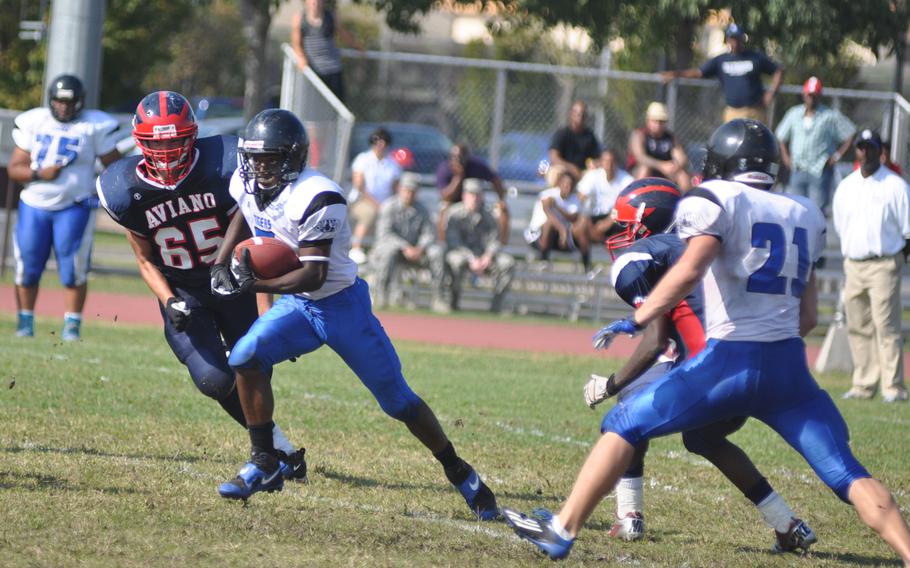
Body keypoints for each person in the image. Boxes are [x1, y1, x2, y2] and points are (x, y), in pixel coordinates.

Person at [503, 119, 910, 563]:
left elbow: (690, 269)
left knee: (623, 424)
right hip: (788, 368)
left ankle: (561, 530)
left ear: (722, 164)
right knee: (847, 474)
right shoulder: (805, 212)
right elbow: (807, 316)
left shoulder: (716, 198)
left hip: (728, 360)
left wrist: (641, 314)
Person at [208, 109, 499, 520]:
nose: (260, 167)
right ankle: (265, 461)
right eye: (254, 158)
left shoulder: (318, 197)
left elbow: (313, 275)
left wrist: (251, 285)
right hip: (299, 306)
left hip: (341, 305)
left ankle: (458, 469)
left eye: (270, 159)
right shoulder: (247, 182)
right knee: (243, 357)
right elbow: (244, 210)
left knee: (399, 402)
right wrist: (221, 262)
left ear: (291, 159)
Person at [584, 177, 815, 548]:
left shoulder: (644, 255)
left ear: (648, 220)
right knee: (702, 437)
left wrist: (609, 384)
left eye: (626, 225)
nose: (621, 234)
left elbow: (654, 341)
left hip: (717, 369)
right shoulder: (705, 247)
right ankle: (788, 524)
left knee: (628, 407)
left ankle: (628, 516)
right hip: (761, 363)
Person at [96, 91, 307, 482]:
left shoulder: (224, 165)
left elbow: (256, 235)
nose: (167, 153)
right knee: (213, 379)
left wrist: (267, 309)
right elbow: (144, 259)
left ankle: (273, 453)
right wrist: (169, 300)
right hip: (184, 290)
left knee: (256, 366)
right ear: (141, 143)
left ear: (192, 136)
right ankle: (278, 448)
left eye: (175, 141)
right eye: (158, 144)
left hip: (230, 278)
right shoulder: (125, 188)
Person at [7, 74, 122, 340]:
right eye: (59, 101)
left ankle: (72, 325)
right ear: (51, 100)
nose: (64, 107)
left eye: (70, 102)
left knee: (74, 269)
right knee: (27, 267)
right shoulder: (34, 121)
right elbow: (15, 168)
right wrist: (39, 174)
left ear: (81, 102)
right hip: (34, 205)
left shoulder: (94, 125)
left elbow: (115, 169)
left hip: (74, 206)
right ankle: (25, 322)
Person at [833, 129, 910, 402]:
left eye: (871, 147)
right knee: (858, 325)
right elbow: (841, 226)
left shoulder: (895, 186)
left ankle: (893, 387)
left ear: (881, 152)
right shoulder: (847, 186)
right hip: (853, 264)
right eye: (861, 147)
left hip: (883, 264)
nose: (865, 153)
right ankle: (864, 384)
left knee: (886, 326)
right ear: (856, 150)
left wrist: (898, 260)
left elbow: (908, 230)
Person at [661, 24, 783, 123]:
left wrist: (771, 94)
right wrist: (675, 73)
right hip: (733, 112)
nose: (735, 42)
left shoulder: (755, 57)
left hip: (755, 110)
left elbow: (778, 70)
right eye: (732, 38)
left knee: (757, 145)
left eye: (738, 38)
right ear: (728, 40)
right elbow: (698, 72)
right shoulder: (721, 60)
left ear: (742, 39)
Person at [776, 76, 856, 213]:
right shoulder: (794, 113)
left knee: (816, 211)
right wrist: (786, 158)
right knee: (794, 209)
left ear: (819, 96)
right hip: (797, 168)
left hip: (819, 171)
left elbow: (851, 132)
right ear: (804, 95)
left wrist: (836, 156)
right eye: (809, 95)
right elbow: (781, 136)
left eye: (815, 96)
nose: (811, 99)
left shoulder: (829, 116)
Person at [368, 172, 446, 311]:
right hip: (395, 250)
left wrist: (420, 248)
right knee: (387, 252)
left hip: (416, 252)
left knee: (436, 252)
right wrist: (405, 247)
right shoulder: (389, 207)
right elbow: (385, 234)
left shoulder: (422, 210)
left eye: (413, 191)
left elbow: (429, 233)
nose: (409, 194)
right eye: (406, 190)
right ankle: (381, 295)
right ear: (400, 189)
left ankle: (438, 298)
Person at [444, 178, 516, 313]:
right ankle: (453, 303)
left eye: (478, 194)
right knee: (456, 261)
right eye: (471, 194)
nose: (475, 198)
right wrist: (471, 258)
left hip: (484, 257)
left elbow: (495, 240)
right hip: (463, 255)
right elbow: (454, 242)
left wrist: (488, 256)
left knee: (507, 263)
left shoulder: (489, 215)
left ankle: (496, 307)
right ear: (464, 195)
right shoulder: (454, 214)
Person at [435, 144, 509, 244]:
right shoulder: (445, 168)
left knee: (503, 211)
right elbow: (445, 196)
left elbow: (496, 180)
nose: (457, 160)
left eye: (460, 157)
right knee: (443, 209)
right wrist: (458, 177)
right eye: (453, 157)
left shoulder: (476, 165)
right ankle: (443, 245)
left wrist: (501, 199)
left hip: (476, 203)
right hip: (453, 203)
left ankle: (500, 247)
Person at [290, 0, 363, 102]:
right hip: (314, 72)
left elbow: (343, 34)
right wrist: (301, 58)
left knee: (338, 105)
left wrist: (357, 46)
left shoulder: (331, 16)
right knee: (314, 105)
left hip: (334, 70)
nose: (315, 2)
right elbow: (296, 43)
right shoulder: (299, 18)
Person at [348, 127, 401, 264]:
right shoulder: (363, 159)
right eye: (376, 141)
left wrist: (388, 205)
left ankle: (381, 250)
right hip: (361, 201)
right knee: (369, 213)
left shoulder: (393, 165)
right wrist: (377, 204)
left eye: (383, 141)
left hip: (385, 204)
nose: (380, 145)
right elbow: (359, 186)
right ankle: (356, 247)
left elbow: (396, 189)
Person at [524, 169, 591, 271]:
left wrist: (557, 207)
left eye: (570, 185)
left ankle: (587, 267)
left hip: (560, 238)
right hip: (537, 235)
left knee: (583, 225)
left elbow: (573, 217)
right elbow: (547, 211)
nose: (567, 188)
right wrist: (562, 229)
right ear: (559, 184)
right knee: (549, 224)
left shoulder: (575, 199)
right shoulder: (547, 194)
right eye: (565, 184)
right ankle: (544, 261)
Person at [627, 102, 691, 191]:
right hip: (641, 171)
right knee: (645, 169)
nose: (658, 125)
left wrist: (675, 166)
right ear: (648, 120)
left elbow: (681, 158)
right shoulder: (639, 135)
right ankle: (639, 196)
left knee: (682, 175)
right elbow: (640, 157)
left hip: (666, 172)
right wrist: (661, 165)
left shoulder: (670, 138)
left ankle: (684, 201)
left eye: (661, 122)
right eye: (655, 121)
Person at [576, 148, 633, 243]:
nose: (609, 165)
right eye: (606, 161)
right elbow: (581, 197)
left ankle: (607, 241)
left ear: (616, 163)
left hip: (616, 218)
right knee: (582, 223)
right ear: (601, 162)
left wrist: (608, 222)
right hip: (594, 217)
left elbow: (628, 204)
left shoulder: (626, 179)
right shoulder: (593, 176)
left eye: (612, 162)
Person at [548, 100, 601, 183]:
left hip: (582, 173)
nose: (580, 117)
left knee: (598, 173)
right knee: (554, 172)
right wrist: (571, 168)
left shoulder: (590, 136)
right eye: (578, 114)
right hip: (564, 170)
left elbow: (596, 158)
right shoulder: (562, 134)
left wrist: (594, 164)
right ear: (571, 114)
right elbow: (554, 157)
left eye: (583, 115)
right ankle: (555, 194)